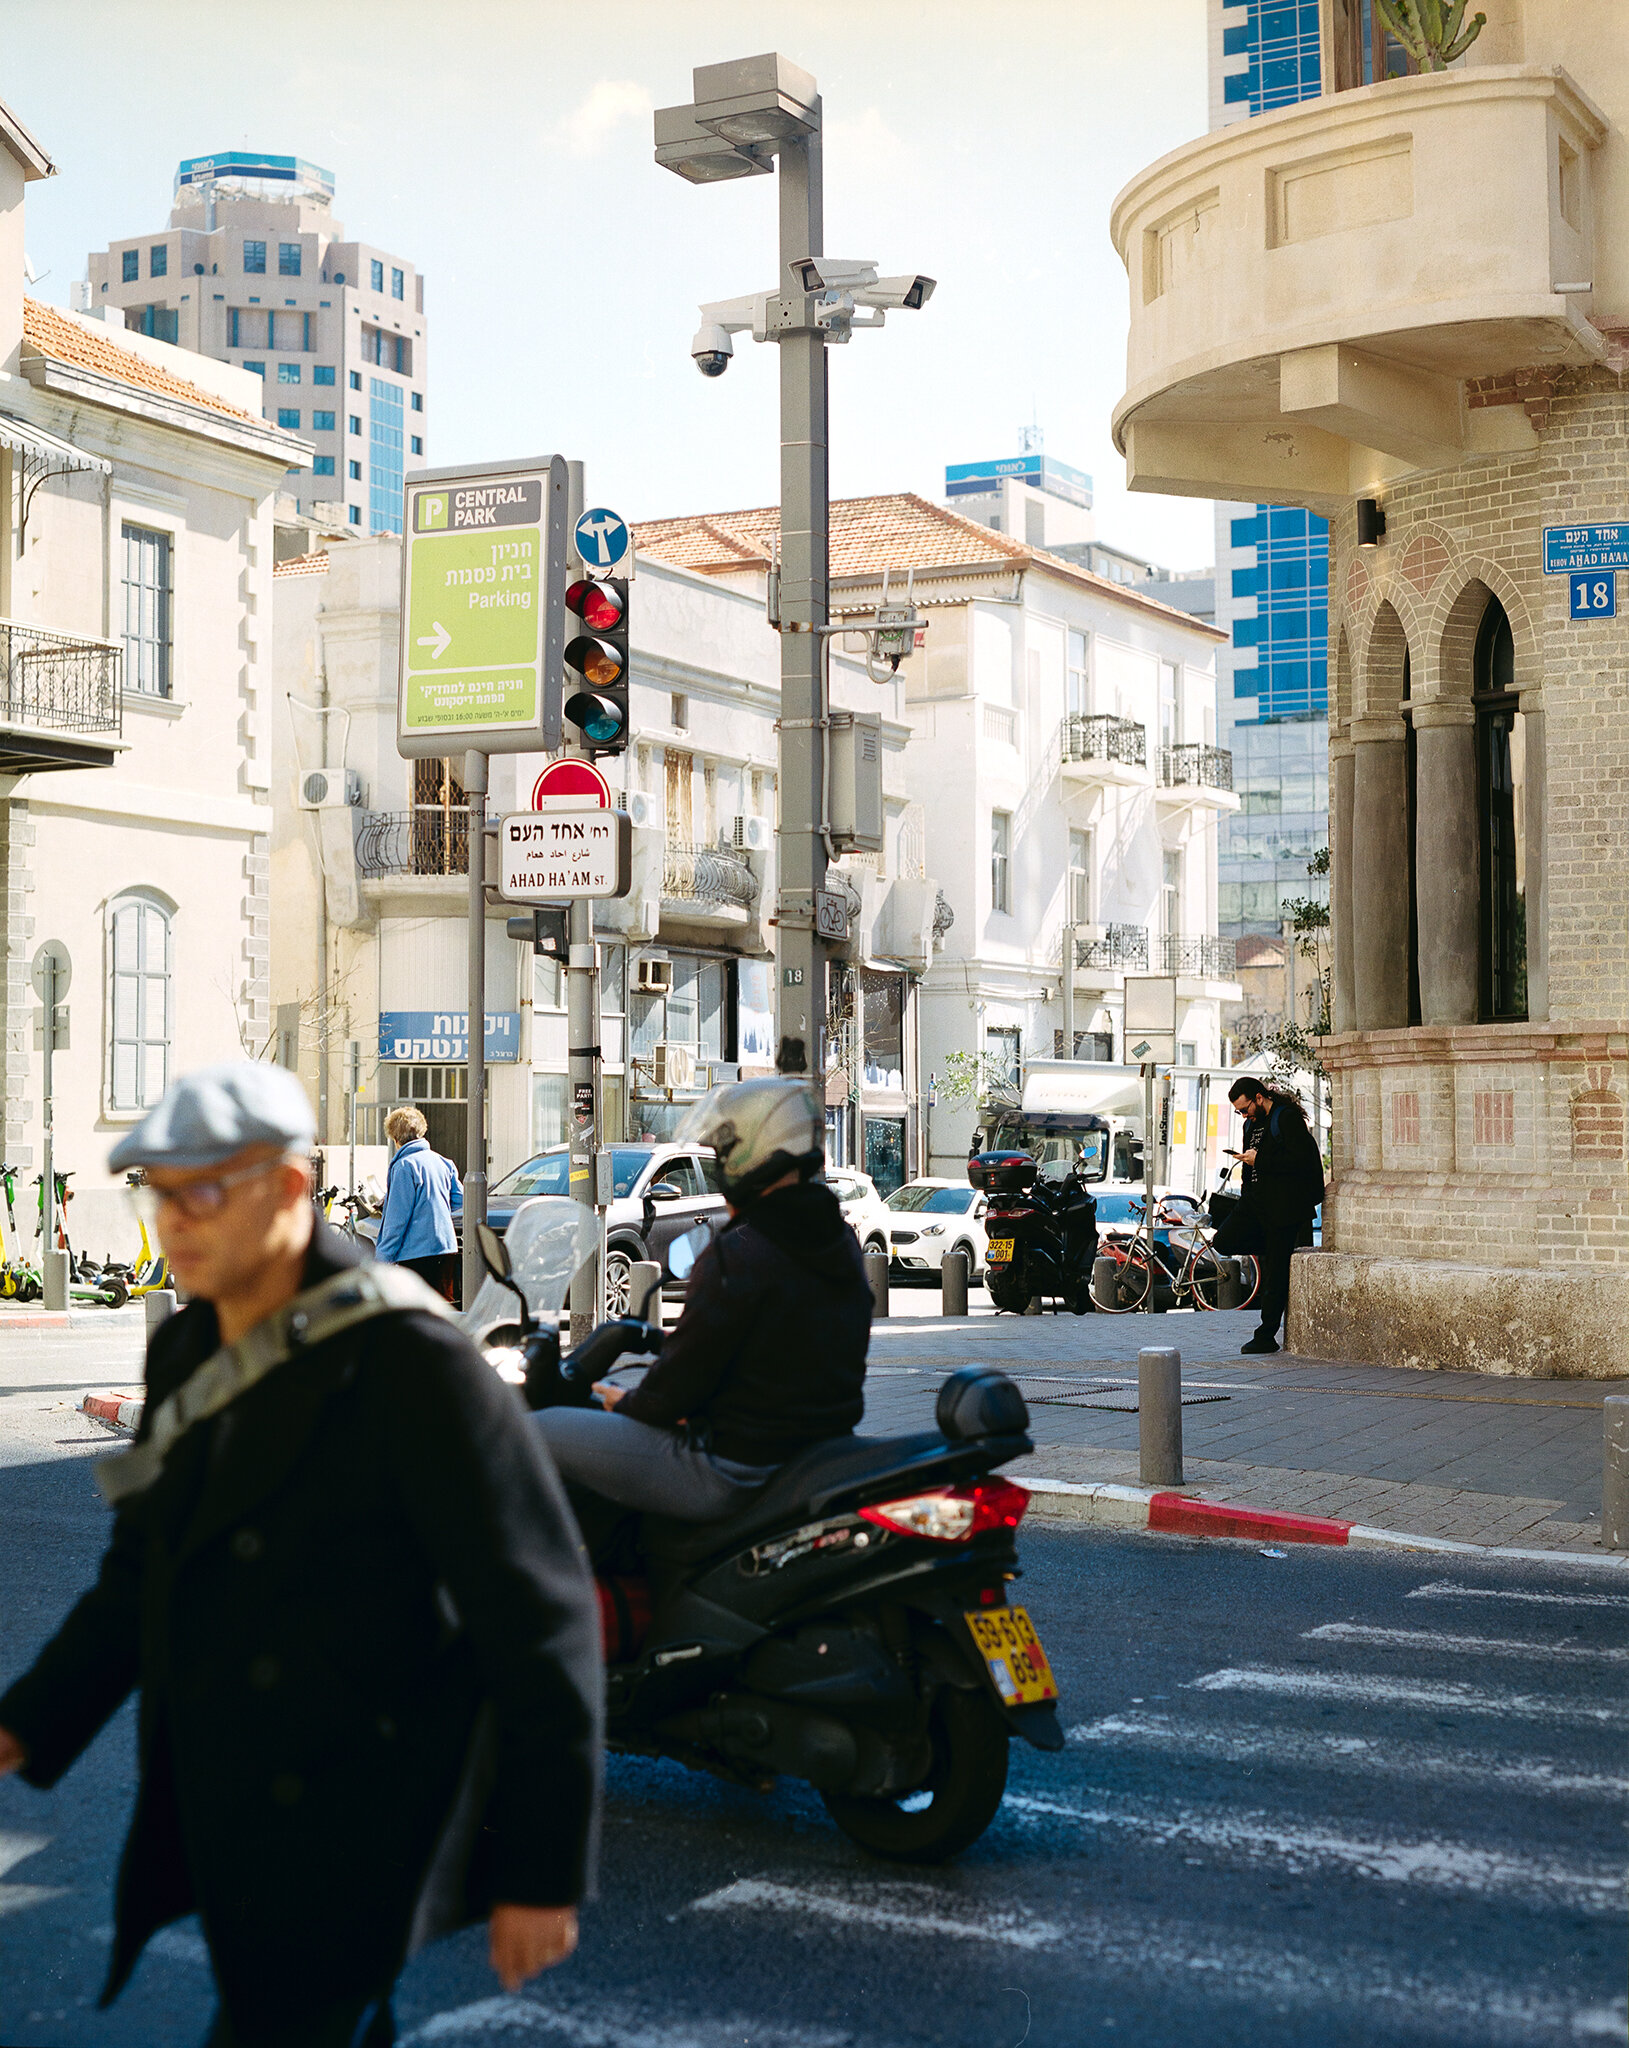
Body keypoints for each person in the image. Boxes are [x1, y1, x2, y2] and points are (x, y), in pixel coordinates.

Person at [0, 1062, 601, 2048]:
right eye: (160, 1190)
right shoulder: (187, 1349)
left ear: (289, 1188)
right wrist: (27, 1720)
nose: (173, 1219)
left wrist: (540, 1870)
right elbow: (142, 1563)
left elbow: (540, 1610)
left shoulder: (411, 1356)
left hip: (360, 1810)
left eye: (203, 1189)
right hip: (229, 1799)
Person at [535, 1077, 872, 1550]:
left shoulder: (740, 1253)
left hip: (733, 1465)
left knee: (534, 1432)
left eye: (726, 1154)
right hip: (811, 1448)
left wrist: (619, 1399)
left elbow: (668, 1396)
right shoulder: (836, 1240)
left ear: (753, 1157)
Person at [1215, 1075, 1325, 1355]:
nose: (1244, 1114)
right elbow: (1250, 1167)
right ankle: (1283, 1250)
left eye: (1245, 1108)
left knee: (1275, 1275)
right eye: (1239, 1111)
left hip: (1283, 1208)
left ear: (1259, 1098)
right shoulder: (1249, 1125)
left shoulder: (1285, 1119)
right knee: (1223, 1241)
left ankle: (1265, 1336)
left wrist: (1259, 1160)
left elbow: (1300, 1162)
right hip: (1256, 1204)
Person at [375, 1105, 463, 1302]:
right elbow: (459, 1199)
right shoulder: (443, 1161)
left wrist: (382, 1259)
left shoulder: (404, 1166)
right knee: (443, 1309)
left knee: (417, 1313)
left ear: (395, 1139)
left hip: (416, 1253)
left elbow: (396, 1221)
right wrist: (433, 1204)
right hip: (446, 1247)